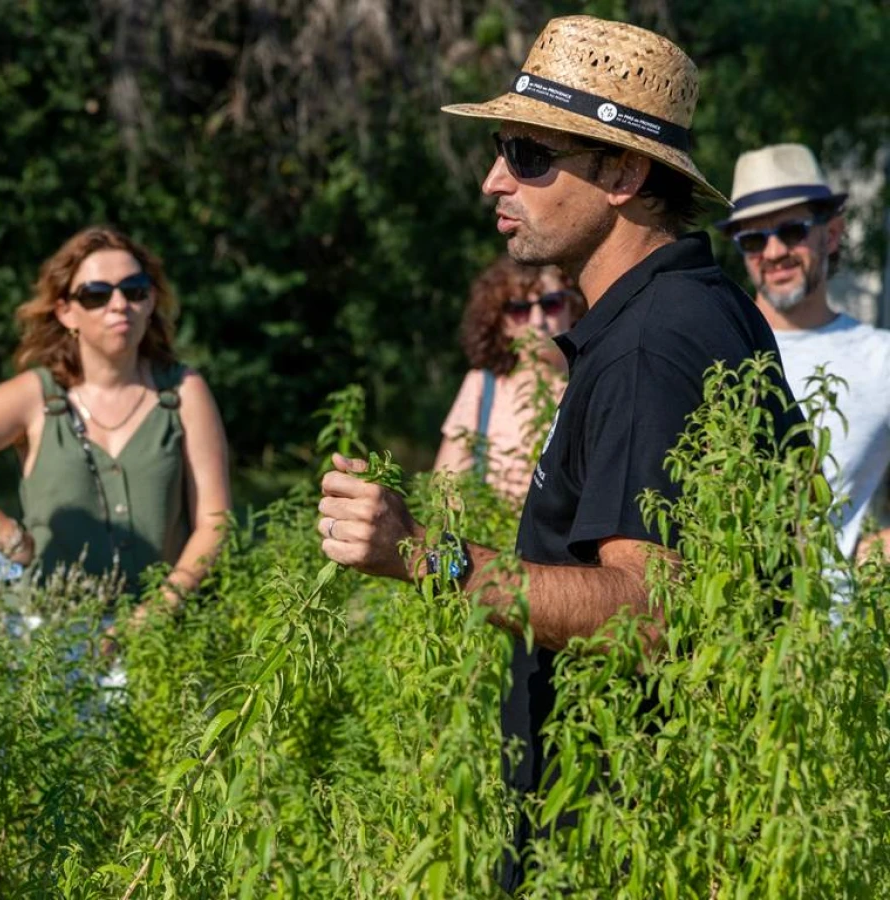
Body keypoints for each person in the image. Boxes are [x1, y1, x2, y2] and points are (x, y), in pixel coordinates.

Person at [316, 15, 805, 891]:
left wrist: (427, 558)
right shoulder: (696, 311)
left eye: (530, 157)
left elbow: (651, 611)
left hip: (623, 831)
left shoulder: (650, 346)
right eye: (502, 149)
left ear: (624, 172)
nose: (492, 180)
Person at [0, 226, 230, 615]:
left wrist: (154, 615)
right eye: (96, 295)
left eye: (134, 289)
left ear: (151, 300)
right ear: (66, 312)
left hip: (162, 643)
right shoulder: (36, 396)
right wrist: (5, 534)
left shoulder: (184, 391)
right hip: (51, 637)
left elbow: (215, 523)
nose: (118, 304)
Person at [717, 143, 890, 561]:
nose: (774, 252)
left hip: (842, 623)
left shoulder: (879, 358)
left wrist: (874, 552)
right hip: (726, 619)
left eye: (793, 230)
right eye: (754, 238)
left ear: (831, 234)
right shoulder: (717, 349)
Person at [434, 258, 586, 500]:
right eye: (519, 309)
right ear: (502, 322)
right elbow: (445, 492)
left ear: (573, 307)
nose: (538, 320)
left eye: (551, 304)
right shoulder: (482, 387)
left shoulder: (590, 387)